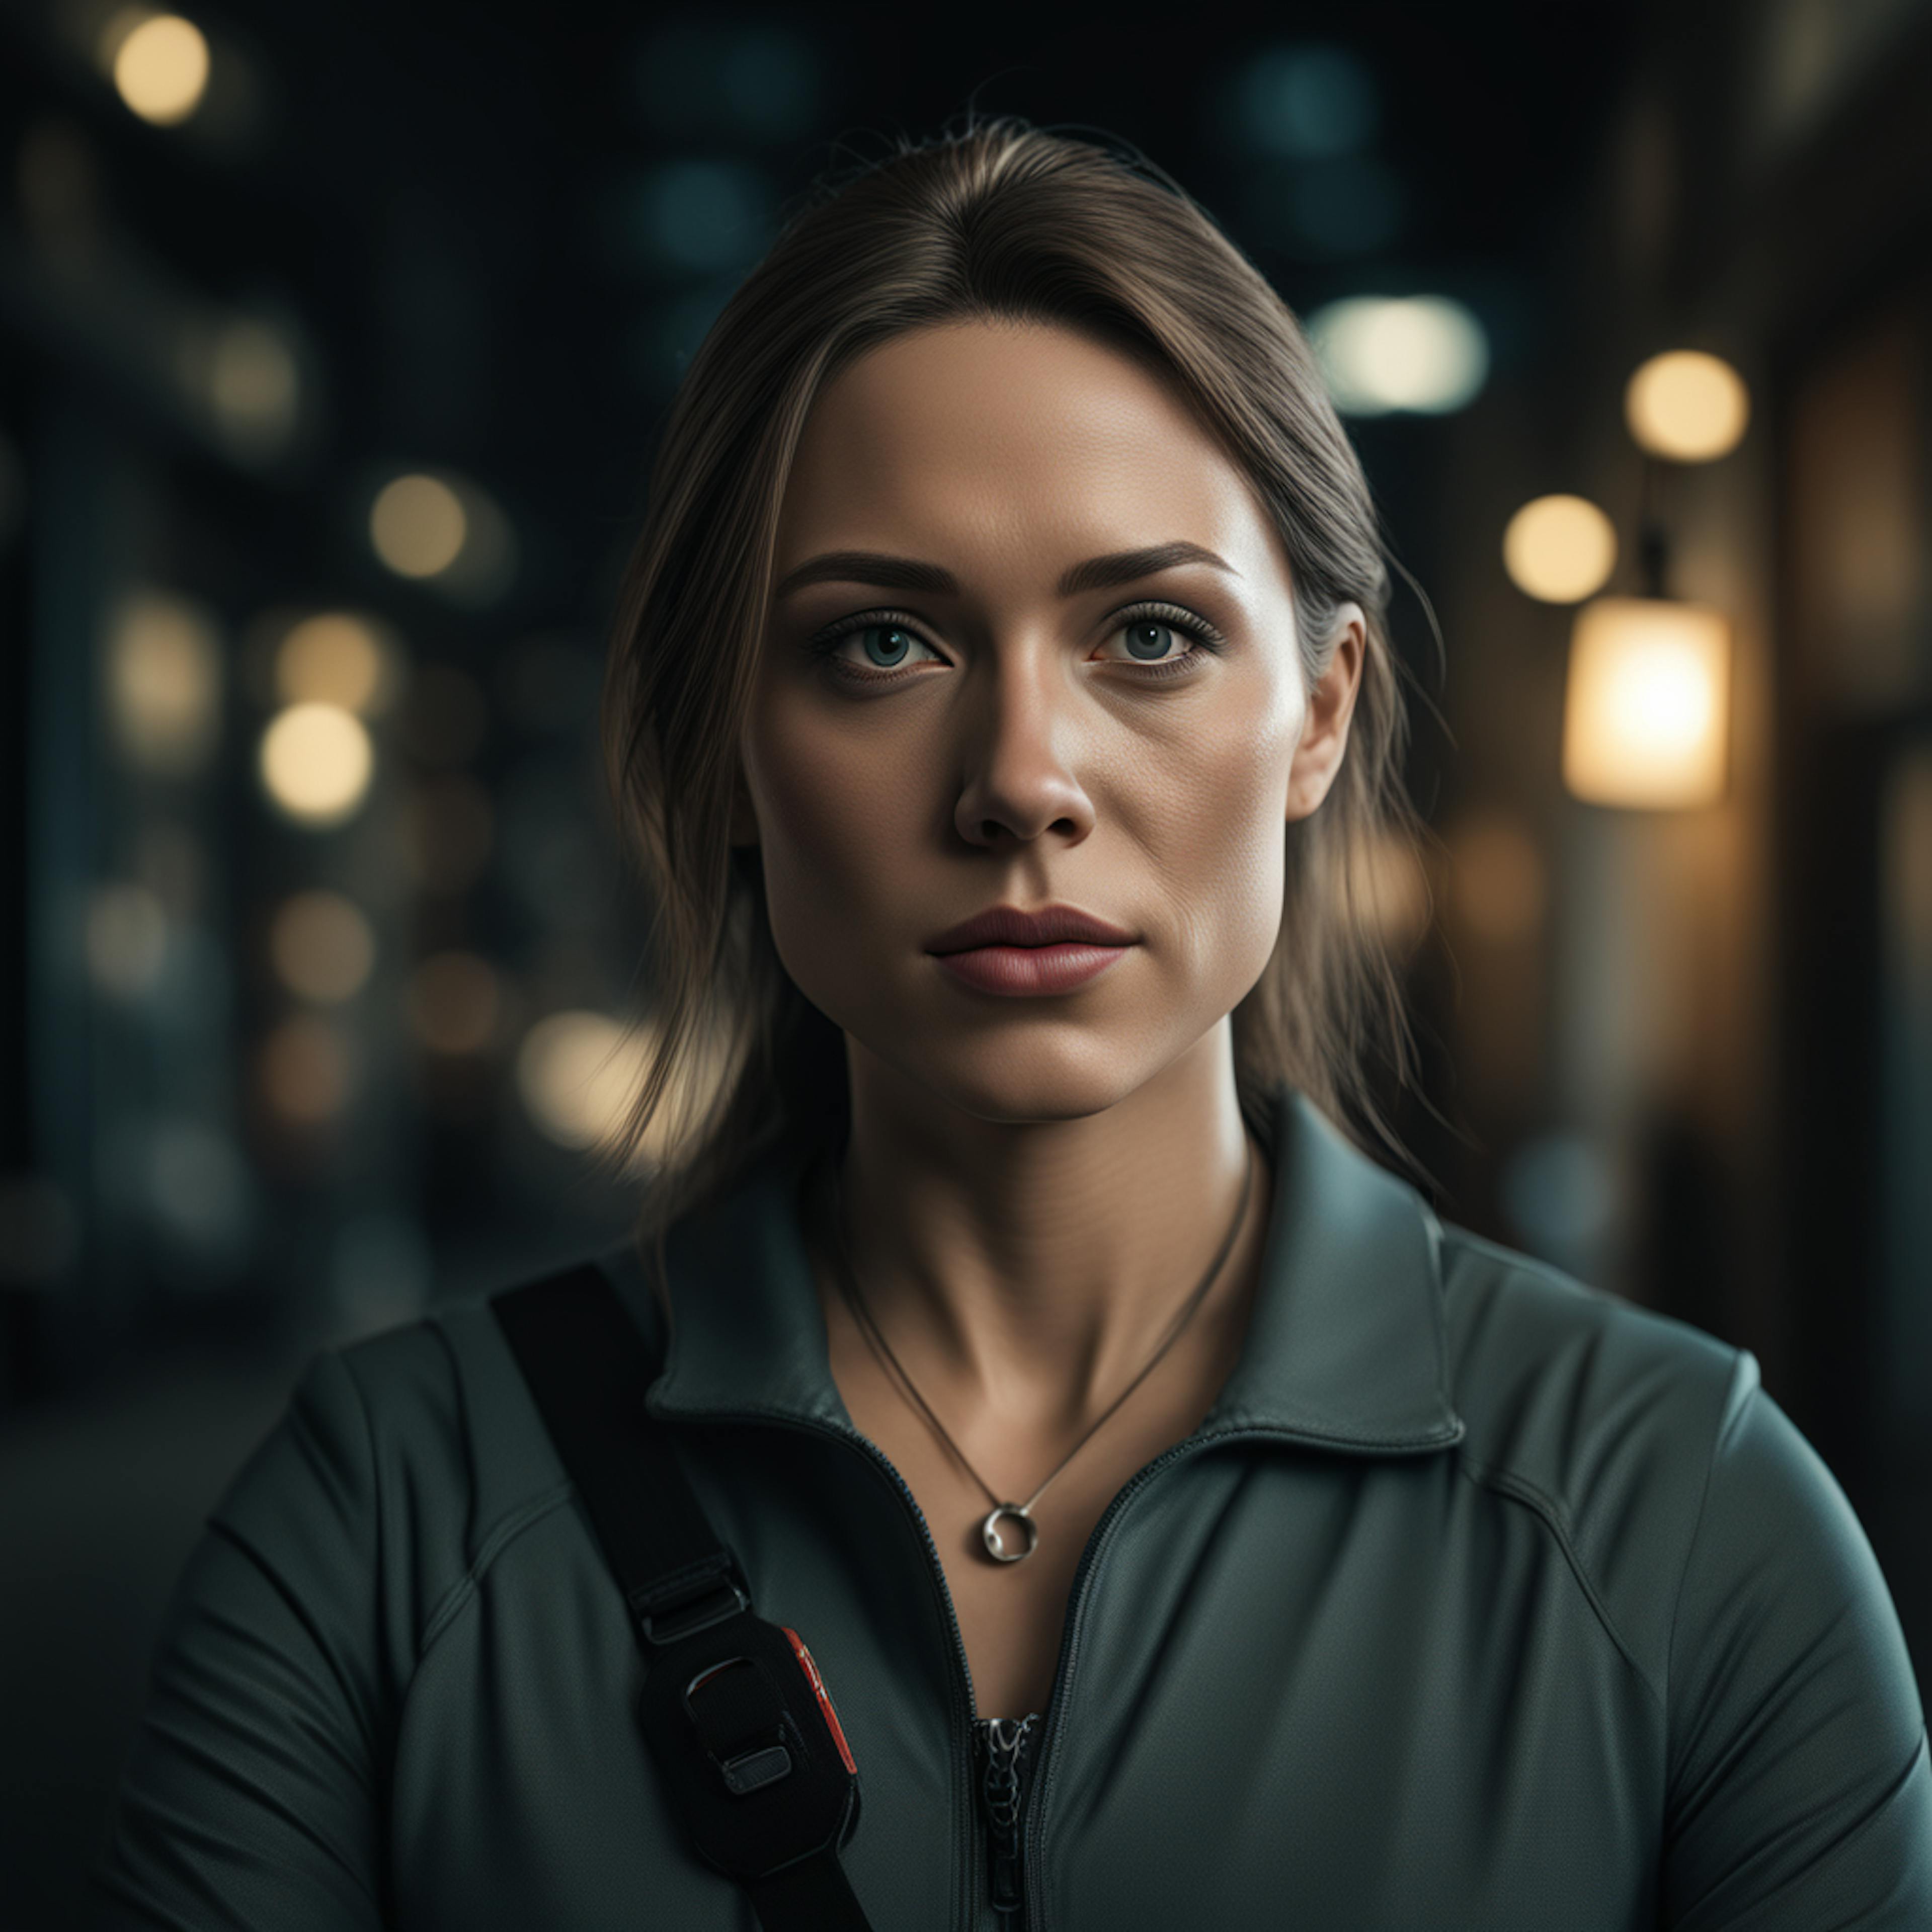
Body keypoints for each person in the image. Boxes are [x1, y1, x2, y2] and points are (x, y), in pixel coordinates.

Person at [96, 117, 1930, 1929]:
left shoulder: (1685, 1525)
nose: (1022, 781)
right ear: (724, 743)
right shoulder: (387, 1521)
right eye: (882, 645)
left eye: (1148, 636)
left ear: (1319, 709)